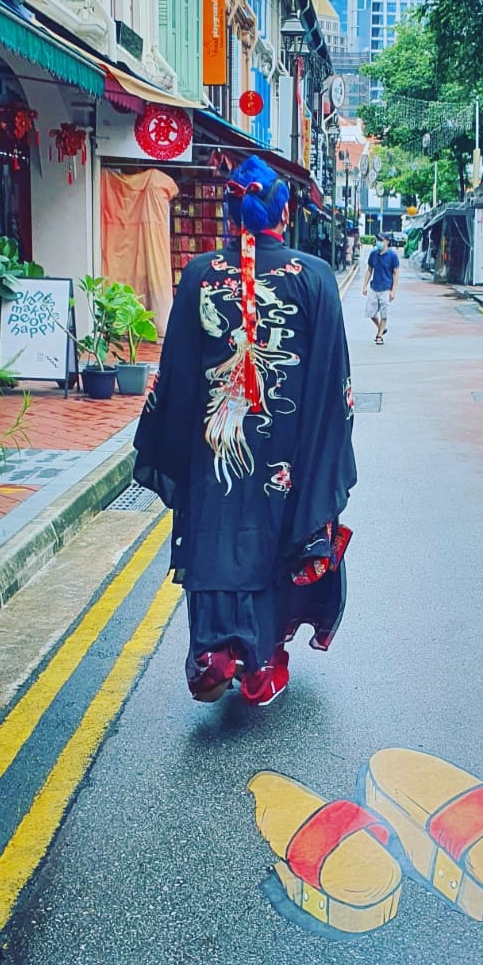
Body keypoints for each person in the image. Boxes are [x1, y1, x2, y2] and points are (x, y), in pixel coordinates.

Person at [132, 155, 356, 707]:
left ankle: (213, 653)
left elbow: (179, 377)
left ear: (233, 212)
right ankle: (262, 666)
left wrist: (174, 444)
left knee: (216, 532)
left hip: (215, 445)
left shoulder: (199, 275)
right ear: (284, 210)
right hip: (289, 453)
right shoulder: (316, 278)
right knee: (282, 540)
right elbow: (333, 384)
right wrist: (323, 456)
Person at [362, 233, 399, 344]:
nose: (378, 242)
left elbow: (396, 273)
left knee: (384, 312)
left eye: (381, 240)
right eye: (377, 240)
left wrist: (393, 290)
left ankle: (379, 336)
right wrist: (364, 286)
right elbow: (369, 270)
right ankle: (381, 328)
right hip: (374, 287)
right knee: (370, 313)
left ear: (387, 242)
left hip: (386, 288)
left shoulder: (393, 256)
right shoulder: (373, 254)